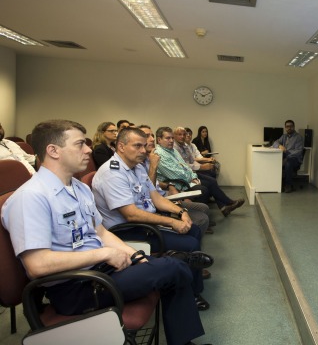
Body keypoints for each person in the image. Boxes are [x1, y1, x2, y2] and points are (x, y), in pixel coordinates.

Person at [1, 119, 205, 345]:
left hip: (101, 272)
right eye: (80, 144)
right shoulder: (31, 197)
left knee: (173, 270)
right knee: (174, 268)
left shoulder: (77, 187)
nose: (88, 149)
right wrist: (104, 254)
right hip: (76, 286)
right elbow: (37, 265)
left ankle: (183, 335)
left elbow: (100, 232)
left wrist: (134, 255)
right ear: (53, 151)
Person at [92, 127, 211, 310]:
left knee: (193, 229)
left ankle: (192, 282)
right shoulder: (111, 173)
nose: (143, 150)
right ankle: (193, 293)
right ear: (121, 147)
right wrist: (172, 222)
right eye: (137, 146)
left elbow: (155, 197)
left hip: (145, 223)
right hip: (127, 231)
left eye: (144, 146)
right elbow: (130, 214)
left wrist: (181, 213)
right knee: (189, 244)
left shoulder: (136, 168)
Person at [154, 126, 244, 217]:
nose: (171, 140)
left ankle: (224, 207)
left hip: (187, 178)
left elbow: (185, 166)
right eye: (168, 138)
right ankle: (201, 219)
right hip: (177, 184)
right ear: (159, 140)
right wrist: (192, 176)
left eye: (172, 138)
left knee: (211, 181)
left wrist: (193, 176)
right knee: (204, 190)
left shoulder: (172, 150)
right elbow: (177, 175)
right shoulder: (160, 154)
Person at [140, 124, 213, 235]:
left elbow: (185, 166)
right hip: (158, 204)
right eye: (147, 136)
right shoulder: (153, 157)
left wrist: (170, 185)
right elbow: (149, 194)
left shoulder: (150, 158)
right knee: (202, 218)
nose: (152, 139)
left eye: (151, 135)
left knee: (204, 208)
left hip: (163, 197)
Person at [272, 120, 304, 193]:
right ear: (285, 128)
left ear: (294, 127)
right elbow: (275, 143)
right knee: (273, 160)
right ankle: (273, 183)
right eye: (287, 126)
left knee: (288, 162)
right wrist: (279, 145)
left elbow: (298, 151)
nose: (289, 128)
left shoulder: (298, 137)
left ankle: (288, 186)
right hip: (285, 157)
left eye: (291, 126)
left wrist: (287, 154)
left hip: (295, 159)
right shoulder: (284, 136)